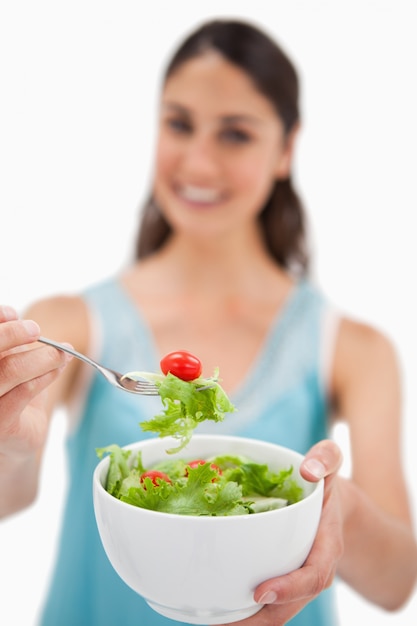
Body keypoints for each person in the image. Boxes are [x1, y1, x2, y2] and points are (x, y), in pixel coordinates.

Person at [0, 18, 416, 626]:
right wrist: (12, 444)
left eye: (236, 134)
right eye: (179, 124)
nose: (198, 160)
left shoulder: (355, 349)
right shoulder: (73, 323)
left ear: (287, 149)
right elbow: (12, 497)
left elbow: (399, 581)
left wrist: (336, 504)